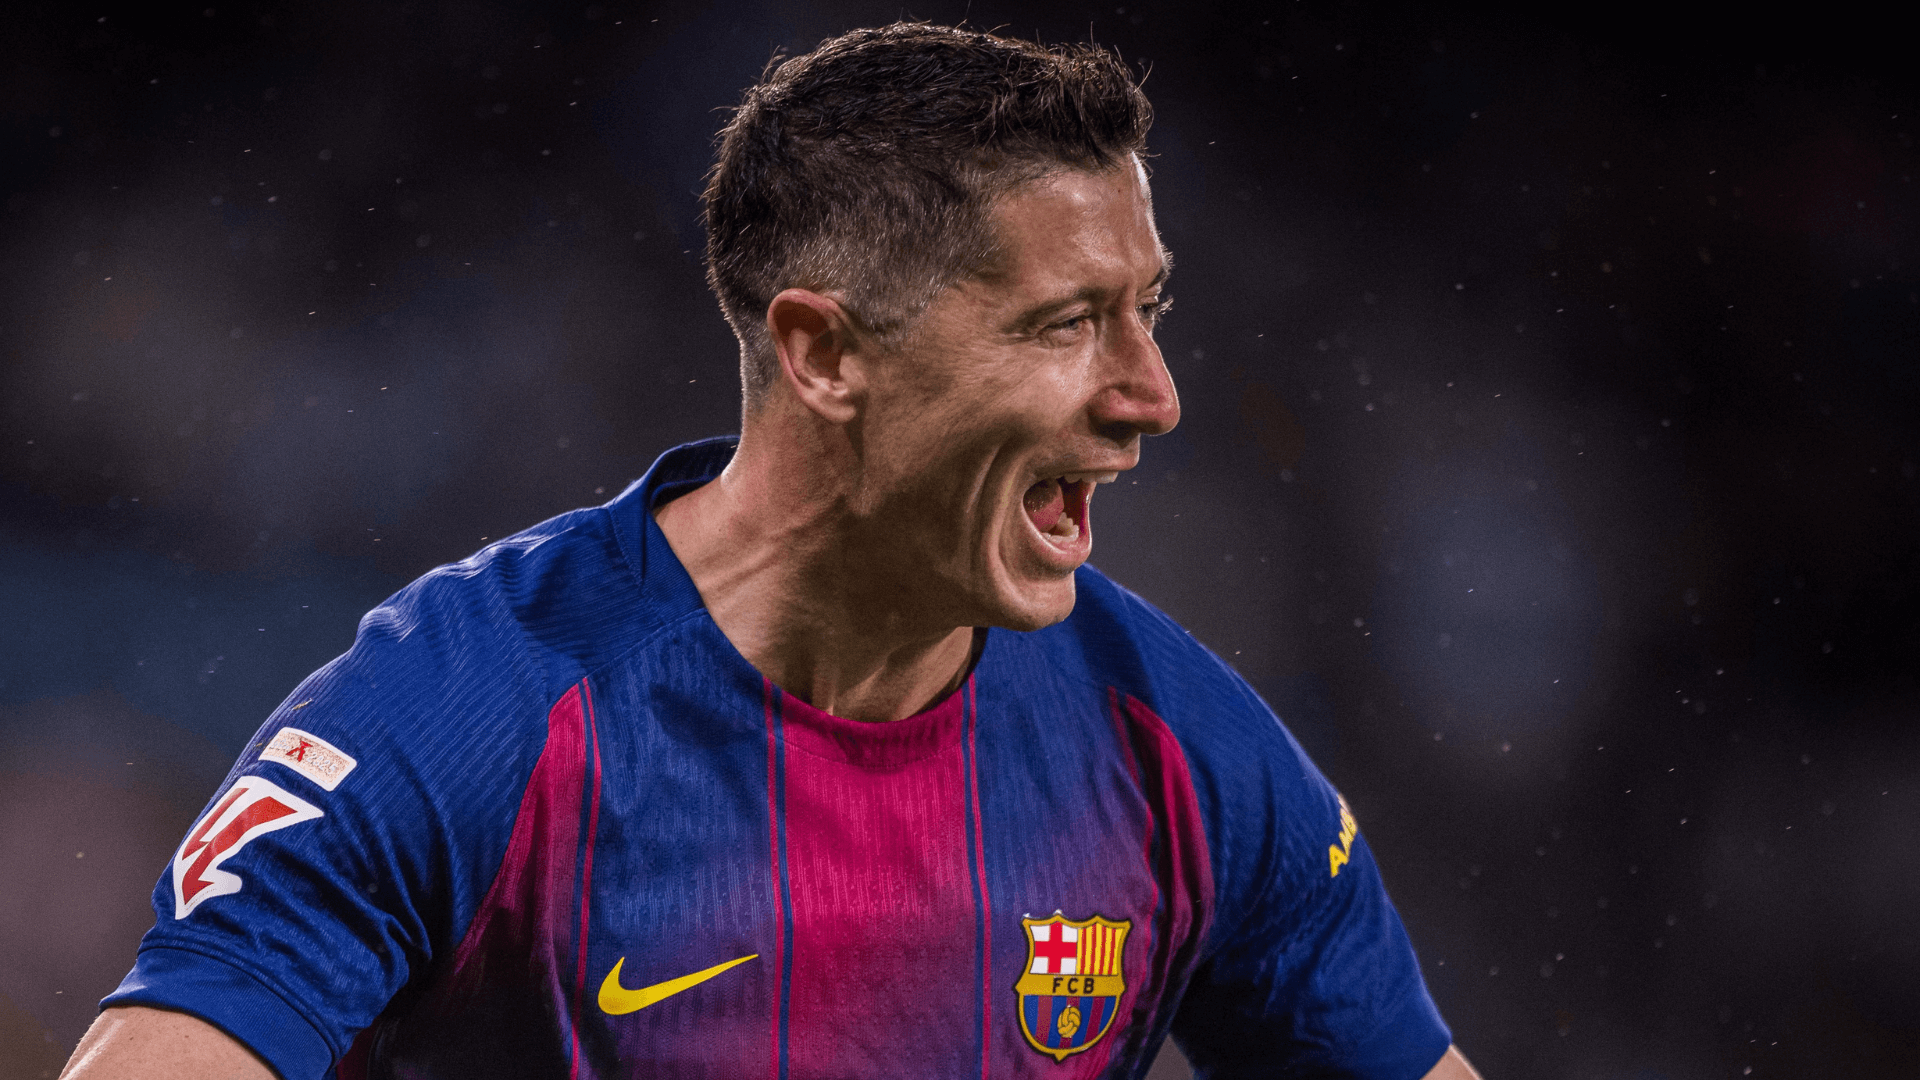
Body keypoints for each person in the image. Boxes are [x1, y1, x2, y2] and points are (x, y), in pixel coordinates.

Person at [63, 23, 1480, 1080]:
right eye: (1065, 324)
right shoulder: (467, 717)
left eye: (1147, 312)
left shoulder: (1180, 754)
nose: (1151, 396)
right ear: (824, 354)